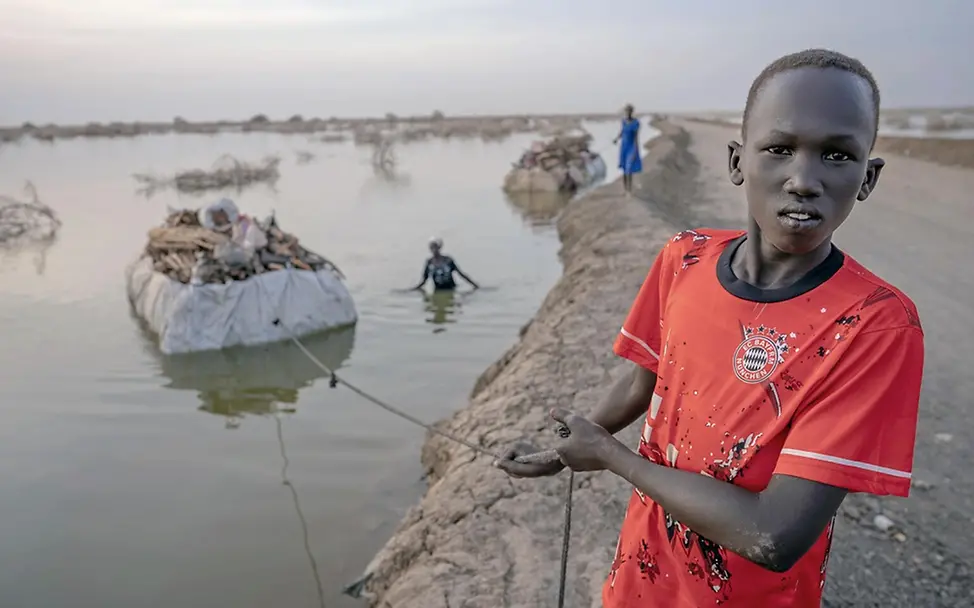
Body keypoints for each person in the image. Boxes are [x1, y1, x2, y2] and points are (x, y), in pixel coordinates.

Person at [496, 49, 924, 608]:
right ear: (737, 161)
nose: (803, 179)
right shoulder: (686, 258)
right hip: (641, 577)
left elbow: (774, 533)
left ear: (867, 178)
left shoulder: (874, 325)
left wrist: (610, 455)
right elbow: (643, 381)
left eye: (837, 155)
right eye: (779, 148)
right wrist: (560, 454)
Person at [413, 237, 479, 291]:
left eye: (435, 247)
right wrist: (414, 290)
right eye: (431, 247)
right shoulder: (429, 262)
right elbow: (424, 280)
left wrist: (475, 285)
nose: (433, 249)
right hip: (437, 290)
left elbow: (461, 274)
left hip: (451, 289)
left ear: (439, 247)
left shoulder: (448, 260)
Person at [613, 104, 643, 197]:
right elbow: (622, 131)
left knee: (629, 168)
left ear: (632, 112)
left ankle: (629, 191)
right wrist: (617, 138)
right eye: (626, 111)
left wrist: (635, 150)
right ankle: (625, 189)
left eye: (629, 111)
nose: (627, 113)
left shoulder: (636, 123)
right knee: (624, 169)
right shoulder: (623, 122)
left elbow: (636, 138)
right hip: (623, 147)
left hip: (631, 147)